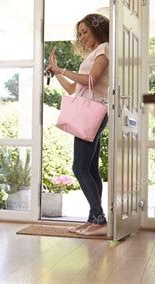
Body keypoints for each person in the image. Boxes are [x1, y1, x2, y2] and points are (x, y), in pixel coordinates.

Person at [45, 13, 110, 236]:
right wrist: (56, 71)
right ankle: (94, 219)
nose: (81, 36)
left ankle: (100, 221)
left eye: (85, 32)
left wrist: (62, 70)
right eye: (79, 33)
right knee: (90, 168)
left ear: (97, 30)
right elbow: (75, 89)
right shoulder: (95, 53)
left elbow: (91, 80)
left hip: (93, 112)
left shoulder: (104, 49)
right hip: (90, 112)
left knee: (79, 168)